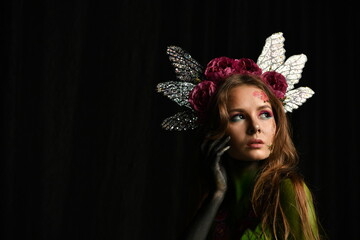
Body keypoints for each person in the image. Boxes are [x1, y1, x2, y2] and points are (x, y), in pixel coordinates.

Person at [157, 33, 322, 239]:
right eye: (238, 117)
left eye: (264, 114)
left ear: (277, 125)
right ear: (216, 129)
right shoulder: (210, 196)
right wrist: (216, 195)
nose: (255, 127)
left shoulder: (287, 190)